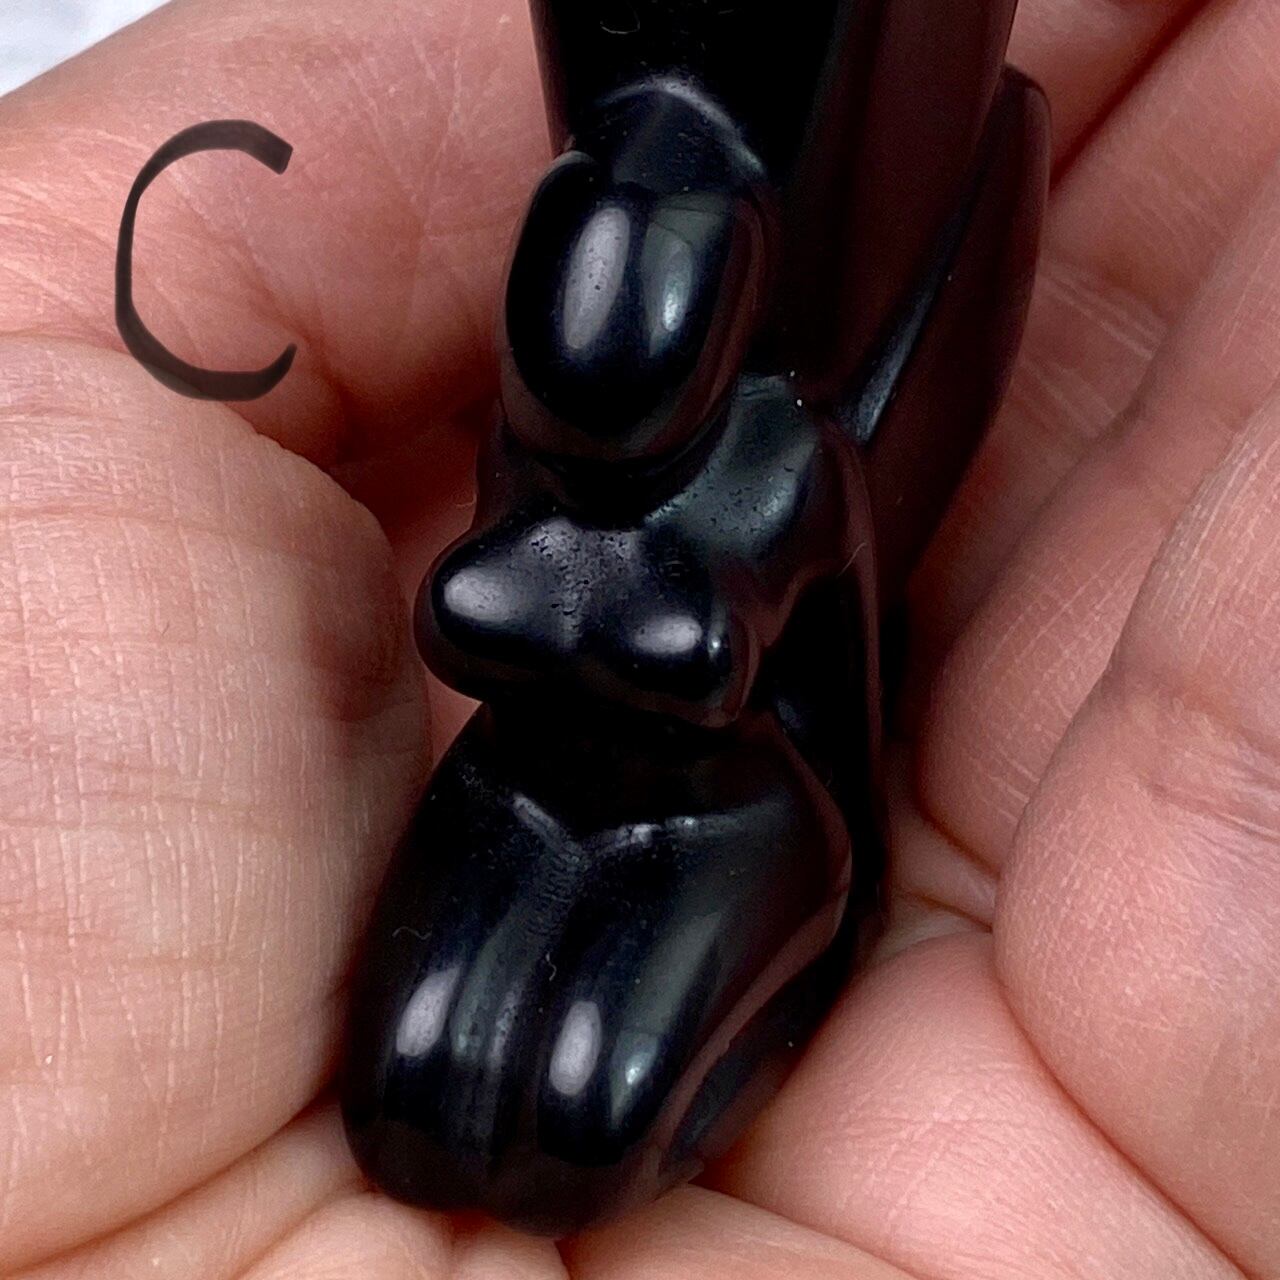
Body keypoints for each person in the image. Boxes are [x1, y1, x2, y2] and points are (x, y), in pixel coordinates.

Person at [0, 0, 1276, 1275]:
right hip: (514, 786)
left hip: (718, 816)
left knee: (582, 1098)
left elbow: (771, 660)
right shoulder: (528, 453)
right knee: (418, 1073)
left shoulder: (779, 469)